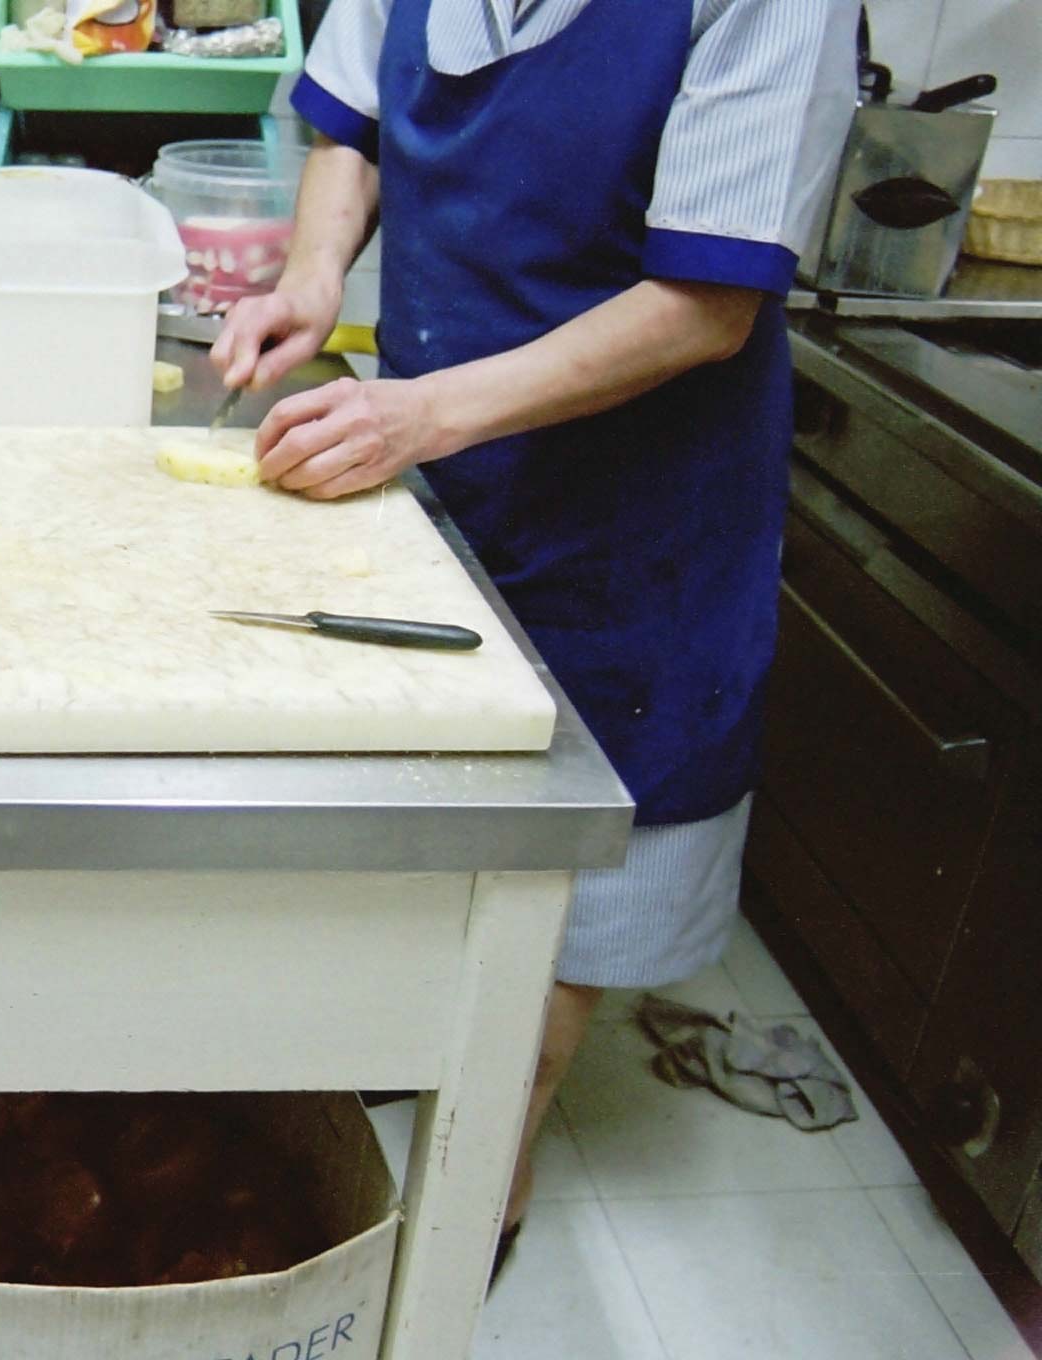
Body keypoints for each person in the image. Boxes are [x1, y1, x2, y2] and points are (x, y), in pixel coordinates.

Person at [214, 0, 856, 1272]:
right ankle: (396, 1067)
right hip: (437, 480)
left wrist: (418, 416)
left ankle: (476, 1206)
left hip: (632, 514)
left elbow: (704, 305)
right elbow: (351, 125)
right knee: (411, 823)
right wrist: (312, 276)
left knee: (566, 917)